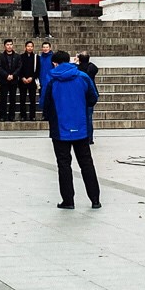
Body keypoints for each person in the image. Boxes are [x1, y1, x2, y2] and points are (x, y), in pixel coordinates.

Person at [42, 48, 101, 208]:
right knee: (86, 163)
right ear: (69, 60)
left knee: (64, 164)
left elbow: (44, 104)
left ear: (54, 63)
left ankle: (68, 200)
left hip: (60, 129)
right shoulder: (82, 77)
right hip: (81, 126)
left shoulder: (51, 79)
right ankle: (95, 199)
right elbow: (93, 97)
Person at [0, 39, 25, 120]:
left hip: (14, 80)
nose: (9, 46)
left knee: (13, 99)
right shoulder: (1, 56)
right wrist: (7, 75)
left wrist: (13, 75)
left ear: (13, 45)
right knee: (3, 99)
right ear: (4, 46)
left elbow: (19, 67)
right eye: (7, 44)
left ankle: (11, 116)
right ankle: (3, 116)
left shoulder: (17, 56)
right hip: (4, 80)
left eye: (10, 44)